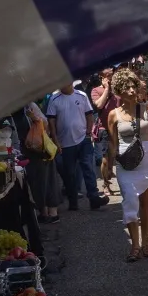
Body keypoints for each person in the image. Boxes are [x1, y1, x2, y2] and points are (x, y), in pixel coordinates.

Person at [106, 69, 148, 260]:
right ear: (119, 91)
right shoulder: (113, 115)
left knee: (145, 204)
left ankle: (145, 243)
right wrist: (108, 166)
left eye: (133, 86)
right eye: (126, 87)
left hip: (147, 160)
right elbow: (112, 142)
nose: (131, 90)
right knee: (130, 201)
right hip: (125, 163)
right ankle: (134, 246)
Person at [47, 80, 106, 210]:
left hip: (83, 139)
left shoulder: (81, 95)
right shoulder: (54, 99)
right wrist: (56, 140)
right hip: (65, 143)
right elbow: (51, 121)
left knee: (89, 169)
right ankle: (73, 201)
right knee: (69, 173)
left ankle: (94, 198)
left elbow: (89, 114)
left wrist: (89, 132)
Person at [21, 98, 62, 223]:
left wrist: (34, 118)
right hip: (34, 150)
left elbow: (45, 124)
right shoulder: (21, 108)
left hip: (39, 150)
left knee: (46, 181)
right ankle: (45, 213)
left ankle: (52, 213)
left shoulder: (29, 106)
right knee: (40, 182)